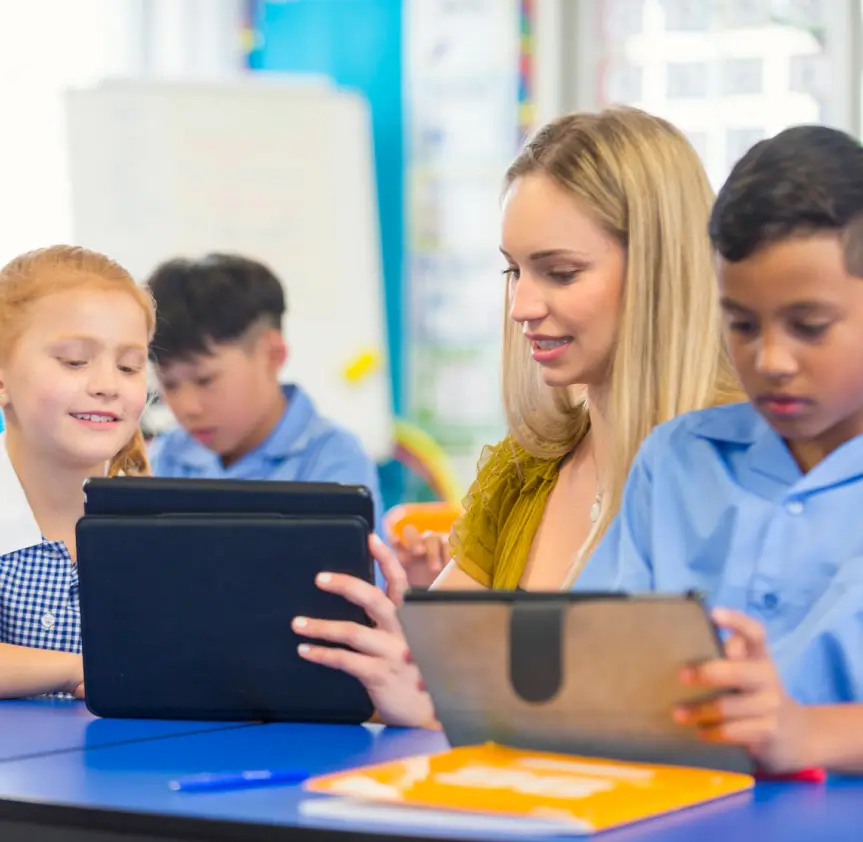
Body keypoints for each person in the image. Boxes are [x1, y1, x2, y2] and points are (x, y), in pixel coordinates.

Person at [290, 106, 741, 725]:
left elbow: (676, 720)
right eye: (513, 270)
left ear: (661, 270)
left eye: (560, 273)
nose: (521, 306)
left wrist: (433, 708)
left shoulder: (745, 471)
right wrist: (397, 650)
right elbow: (433, 674)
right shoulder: (526, 470)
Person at [572, 124, 863, 774]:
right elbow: (588, 662)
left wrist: (811, 734)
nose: (770, 360)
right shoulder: (676, 460)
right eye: (740, 323)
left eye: (808, 326)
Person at [0, 245, 153, 699]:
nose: (107, 385)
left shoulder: (164, 526)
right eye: (73, 361)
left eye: (130, 366)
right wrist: (78, 669)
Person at [145, 253, 385, 539]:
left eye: (205, 380)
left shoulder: (332, 460)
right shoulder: (165, 458)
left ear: (272, 354)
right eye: (169, 384)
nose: (187, 408)